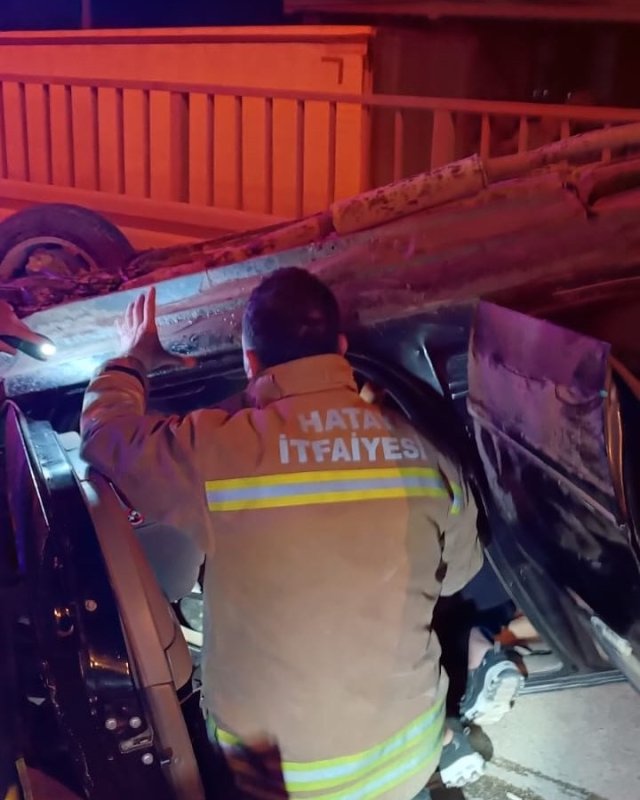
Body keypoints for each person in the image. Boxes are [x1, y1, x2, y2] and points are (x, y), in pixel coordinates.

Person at [80, 268, 520, 800]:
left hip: (280, 787)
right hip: (409, 759)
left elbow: (105, 436)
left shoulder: (218, 452)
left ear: (250, 362)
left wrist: (132, 360)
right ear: (339, 347)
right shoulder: (423, 451)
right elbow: (460, 576)